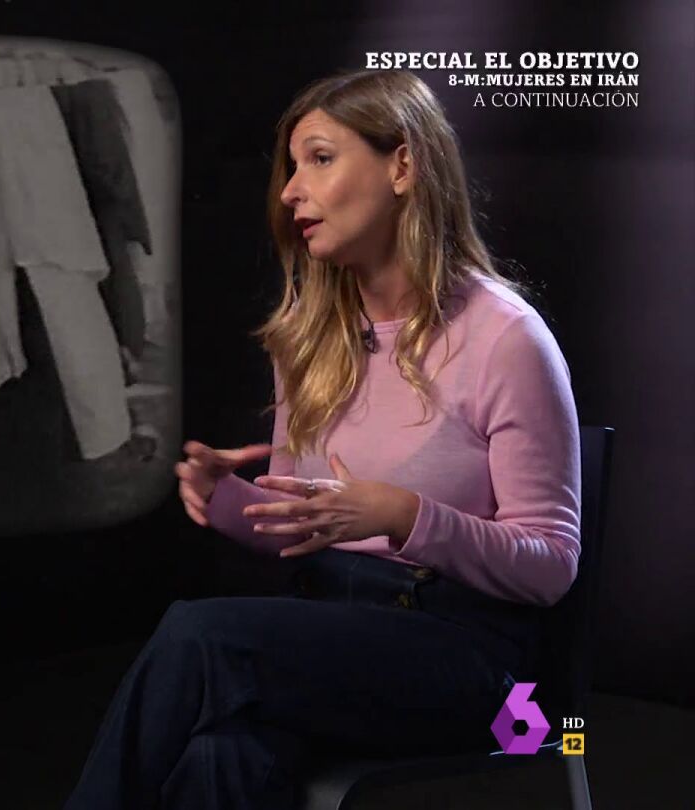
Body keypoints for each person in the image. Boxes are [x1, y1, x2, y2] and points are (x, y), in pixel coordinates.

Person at [63, 69, 581, 808]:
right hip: (335, 630)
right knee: (223, 755)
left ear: (402, 166)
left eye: (320, 159)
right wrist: (225, 498)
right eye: (290, 167)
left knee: (201, 637)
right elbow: (300, 524)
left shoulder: (506, 339)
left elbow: (552, 566)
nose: (290, 192)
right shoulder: (313, 336)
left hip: (493, 682)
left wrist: (402, 515)